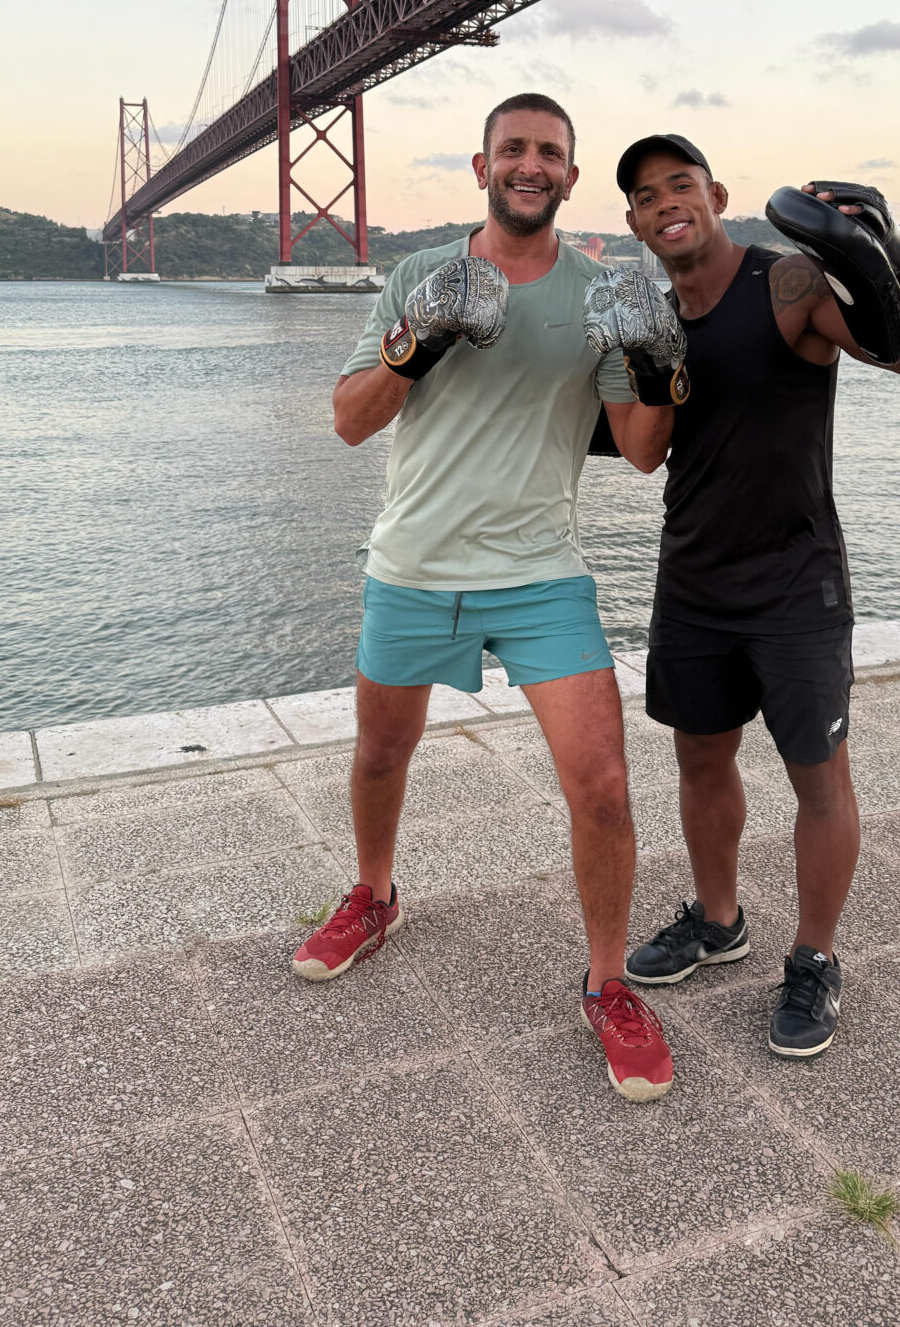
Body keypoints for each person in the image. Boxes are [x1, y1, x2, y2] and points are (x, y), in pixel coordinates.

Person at [290, 93, 688, 1103]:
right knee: (383, 751)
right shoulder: (419, 275)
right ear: (480, 166)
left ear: (569, 175)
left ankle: (607, 985)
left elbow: (642, 453)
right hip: (414, 564)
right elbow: (347, 424)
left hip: (540, 571)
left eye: (548, 153)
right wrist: (413, 342)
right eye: (513, 149)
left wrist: (656, 358)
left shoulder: (600, 291)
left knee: (601, 783)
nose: (529, 165)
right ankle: (375, 896)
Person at [600, 134, 900, 1057]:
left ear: (715, 194)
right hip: (694, 580)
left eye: (681, 184)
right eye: (646, 195)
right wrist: (647, 358)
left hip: (797, 582)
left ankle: (815, 958)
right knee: (701, 762)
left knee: (818, 777)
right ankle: (720, 922)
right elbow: (641, 451)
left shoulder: (787, 282)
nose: (666, 202)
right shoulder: (644, 315)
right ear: (634, 222)